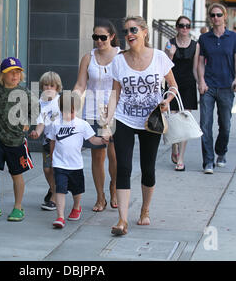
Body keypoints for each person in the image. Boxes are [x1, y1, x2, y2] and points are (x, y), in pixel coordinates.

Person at [103, 16, 178, 235]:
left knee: (148, 168)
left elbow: (173, 86)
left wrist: (166, 101)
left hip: (151, 120)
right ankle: (122, 220)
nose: (129, 34)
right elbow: (115, 93)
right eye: (126, 31)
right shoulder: (118, 60)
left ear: (145, 32)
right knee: (123, 167)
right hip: (125, 118)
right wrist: (107, 121)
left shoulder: (160, 58)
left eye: (133, 29)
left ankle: (145, 210)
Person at [0, 57, 37, 223]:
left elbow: (36, 108)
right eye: (10, 72)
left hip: (16, 140)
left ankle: (18, 207)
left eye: (18, 72)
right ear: (2, 75)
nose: (15, 75)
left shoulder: (25, 93)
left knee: (16, 174)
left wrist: (28, 122)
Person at [73, 19, 120, 212]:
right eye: (95, 37)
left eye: (103, 37)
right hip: (91, 111)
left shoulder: (121, 56)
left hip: (115, 111)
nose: (99, 41)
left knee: (115, 156)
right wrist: (72, 102)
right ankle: (100, 196)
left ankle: (114, 187)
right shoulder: (88, 57)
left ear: (112, 37)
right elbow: (81, 84)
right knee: (97, 157)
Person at [48, 93, 108, 229]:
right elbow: (52, 141)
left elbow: (93, 140)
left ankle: (76, 207)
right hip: (60, 164)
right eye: (66, 111)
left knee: (76, 190)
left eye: (72, 111)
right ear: (60, 109)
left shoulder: (82, 124)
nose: (69, 114)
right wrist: (52, 158)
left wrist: (103, 140)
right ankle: (60, 216)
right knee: (60, 189)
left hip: (75, 165)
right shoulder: (55, 124)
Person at [197, 3, 236, 174]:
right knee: (205, 125)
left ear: (225, 16)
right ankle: (208, 161)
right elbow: (200, 62)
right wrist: (201, 81)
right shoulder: (204, 39)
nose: (215, 18)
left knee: (225, 125)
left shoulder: (234, 38)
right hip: (208, 86)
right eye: (212, 15)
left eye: (218, 15)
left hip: (226, 86)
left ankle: (221, 152)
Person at [165, 16, 200, 171]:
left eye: (187, 26)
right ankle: (174, 147)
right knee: (173, 118)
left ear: (190, 27)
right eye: (181, 25)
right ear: (177, 27)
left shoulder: (195, 45)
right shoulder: (169, 43)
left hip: (188, 85)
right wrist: (171, 54)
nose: (184, 28)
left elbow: (196, 67)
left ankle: (181, 158)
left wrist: (199, 83)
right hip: (173, 84)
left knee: (184, 120)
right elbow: (165, 66)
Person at [29, 71, 63, 211]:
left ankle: (54, 197)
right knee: (47, 169)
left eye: (52, 85)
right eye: (46, 85)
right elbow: (41, 122)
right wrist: (37, 132)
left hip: (60, 141)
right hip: (47, 141)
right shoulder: (40, 103)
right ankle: (53, 189)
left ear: (57, 87)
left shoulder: (61, 101)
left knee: (56, 169)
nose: (49, 88)